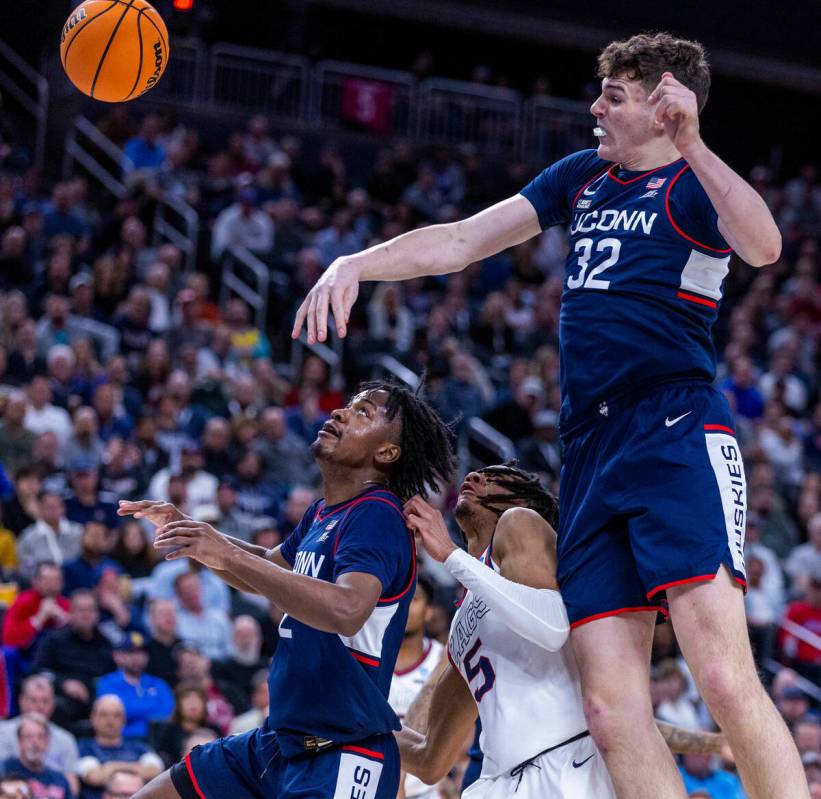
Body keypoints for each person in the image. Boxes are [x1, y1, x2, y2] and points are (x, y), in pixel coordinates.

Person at [294, 31, 803, 799]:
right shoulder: (581, 178)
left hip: (673, 431)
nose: (594, 107)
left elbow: (763, 246)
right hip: (591, 449)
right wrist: (357, 262)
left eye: (616, 96)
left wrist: (693, 140)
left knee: (725, 680)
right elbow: (463, 240)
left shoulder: (696, 185)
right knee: (608, 704)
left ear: (667, 105)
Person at [118, 380, 455, 799]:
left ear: (386, 453)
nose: (340, 413)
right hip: (278, 744)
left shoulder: (378, 516)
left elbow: (347, 608)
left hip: (342, 755)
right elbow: (267, 568)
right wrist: (194, 534)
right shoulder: (324, 513)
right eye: (348, 405)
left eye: (363, 412)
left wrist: (223, 552)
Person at [398, 465, 730, 797]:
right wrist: (362, 725)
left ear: (526, 501)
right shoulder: (462, 620)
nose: (474, 478)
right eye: (477, 474)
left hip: (566, 767)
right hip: (498, 782)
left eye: (495, 478)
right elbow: (430, 761)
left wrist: (450, 554)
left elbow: (553, 626)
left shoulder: (519, 523)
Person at [388, 576, 444, 799]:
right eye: (401, 599)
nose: (406, 606)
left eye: (415, 599)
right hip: (374, 784)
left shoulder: (443, 659)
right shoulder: (369, 658)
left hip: (428, 789)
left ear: (429, 611)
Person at [76, 696, 163, 799]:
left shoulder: (139, 747)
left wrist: (110, 767)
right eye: (104, 715)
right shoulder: (83, 747)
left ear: (124, 720)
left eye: (116, 715)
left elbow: (155, 771)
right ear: (93, 718)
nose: (110, 720)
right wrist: (137, 768)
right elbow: (95, 777)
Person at [96, 634, 175, 740]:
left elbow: (169, 713)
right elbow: (114, 713)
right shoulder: (107, 683)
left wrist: (133, 712)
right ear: (117, 656)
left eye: (142, 652)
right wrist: (150, 709)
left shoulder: (158, 683)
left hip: (159, 741)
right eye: (131, 652)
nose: (137, 657)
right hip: (123, 741)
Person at [2, 714, 73, 799]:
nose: (35, 743)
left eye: (41, 737)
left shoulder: (59, 779)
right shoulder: (4, 769)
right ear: (19, 742)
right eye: (29, 737)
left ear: (48, 742)